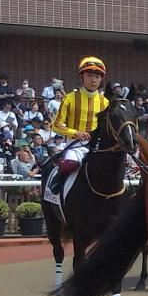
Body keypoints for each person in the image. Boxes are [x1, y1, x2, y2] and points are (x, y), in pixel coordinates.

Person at [45, 56, 109, 202]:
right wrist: (76, 133)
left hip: (98, 147)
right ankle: (55, 183)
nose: (93, 80)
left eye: (97, 77)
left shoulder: (105, 103)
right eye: (89, 75)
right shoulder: (69, 98)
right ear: (82, 77)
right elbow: (56, 125)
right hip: (76, 146)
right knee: (72, 164)